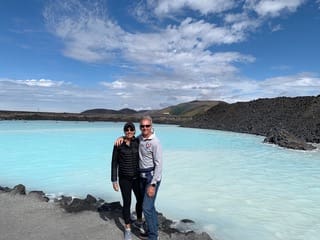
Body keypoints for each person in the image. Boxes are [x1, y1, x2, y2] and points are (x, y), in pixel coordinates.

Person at [116, 116, 163, 240]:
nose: (145, 128)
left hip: (151, 177)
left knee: (146, 207)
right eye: (142, 126)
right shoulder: (139, 139)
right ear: (140, 127)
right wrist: (121, 138)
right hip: (140, 177)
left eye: (147, 126)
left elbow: (159, 165)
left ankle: (153, 236)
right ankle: (151, 229)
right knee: (149, 206)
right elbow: (128, 138)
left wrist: (153, 184)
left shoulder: (155, 142)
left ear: (151, 126)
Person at [111, 122, 144, 240]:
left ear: (134, 131)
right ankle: (128, 228)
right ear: (124, 131)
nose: (129, 131)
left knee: (140, 200)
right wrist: (114, 180)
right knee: (127, 202)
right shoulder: (118, 145)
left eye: (131, 130)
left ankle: (139, 221)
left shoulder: (138, 142)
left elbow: (148, 135)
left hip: (137, 178)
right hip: (124, 179)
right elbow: (114, 163)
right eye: (127, 130)